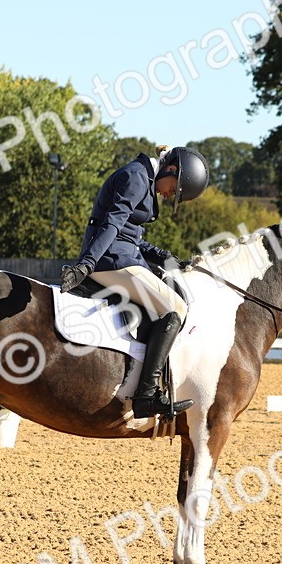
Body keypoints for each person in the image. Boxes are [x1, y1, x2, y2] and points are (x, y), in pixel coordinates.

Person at [59, 145, 210, 419]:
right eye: (172, 190)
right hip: (111, 261)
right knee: (175, 309)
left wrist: (163, 256)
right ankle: (146, 395)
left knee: (164, 303)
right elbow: (112, 225)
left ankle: (137, 381)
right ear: (170, 169)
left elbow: (133, 237)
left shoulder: (143, 179)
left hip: (121, 256)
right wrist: (87, 264)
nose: (167, 195)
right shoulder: (136, 177)